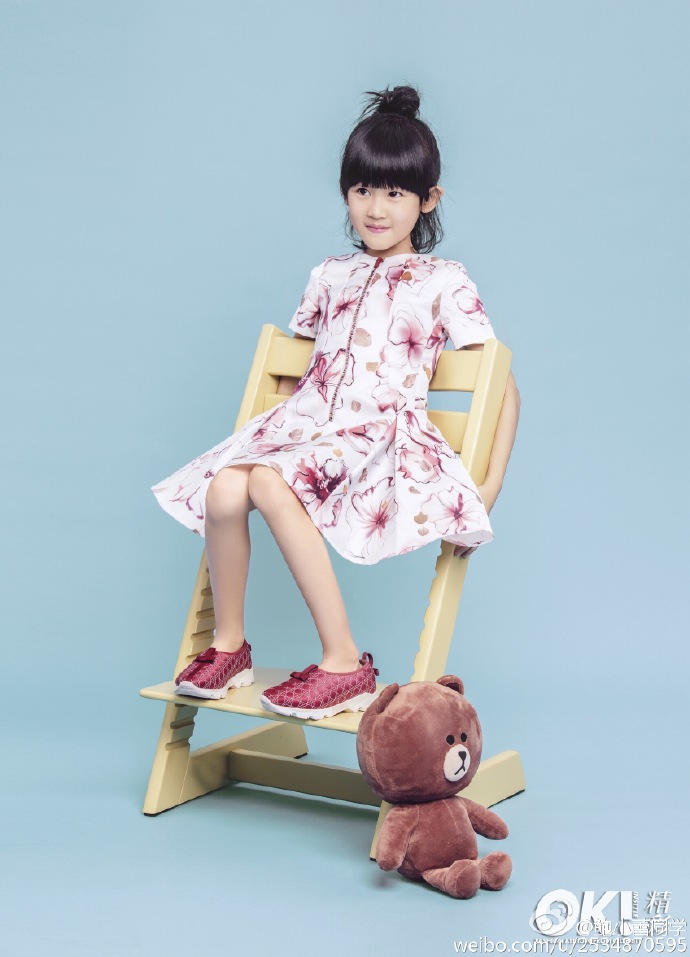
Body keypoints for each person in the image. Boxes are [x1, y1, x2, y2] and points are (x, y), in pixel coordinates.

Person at [150, 84, 520, 719]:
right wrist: (270, 433)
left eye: (395, 193)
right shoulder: (328, 274)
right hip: (308, 427)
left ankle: (344, 661)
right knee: (226, 486)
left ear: (428, 199)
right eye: (362, 189)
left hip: (377, 435)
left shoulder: (443, 280)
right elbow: (298, 367)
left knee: (266, 480)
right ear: (346, 191)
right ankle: (229, 645)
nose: (375, 208)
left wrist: (489, 483)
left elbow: (502, 382)